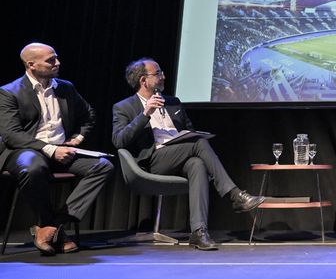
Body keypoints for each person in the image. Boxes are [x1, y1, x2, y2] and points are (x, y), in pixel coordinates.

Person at [112, 57, 265, 250]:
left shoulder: (173, 102)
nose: (163, 76)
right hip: (153, 161)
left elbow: (189, 130)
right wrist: (145, 114)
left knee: (197, 164)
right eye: (158, 73)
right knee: (198, 143)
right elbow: (119, 140)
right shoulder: (124, 107)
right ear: (144, 80)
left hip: (179, 156)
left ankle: (199, 232)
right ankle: (235, 195)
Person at [0, 43, 114, 255]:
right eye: (50, 60)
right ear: (31, 65)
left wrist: (77, 138)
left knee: (103, 166)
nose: (57, 63)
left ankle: (54, 226)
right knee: (32, 168)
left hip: (61, 148)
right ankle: (52, 225)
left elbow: (89, 114)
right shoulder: (8, 92)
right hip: (26, 150)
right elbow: (12, 134)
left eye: (56, 58)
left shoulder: (65, 87)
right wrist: (51, 150)